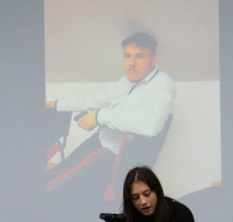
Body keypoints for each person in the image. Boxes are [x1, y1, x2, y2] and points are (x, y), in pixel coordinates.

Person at [46, 32, 174, 192]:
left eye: (140, 56)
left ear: (153, 59)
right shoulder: (127, 82)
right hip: (99, 141)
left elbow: (150, 125)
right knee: (57, 173)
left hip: (109, 157)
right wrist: (56, 104)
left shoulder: (162, 83)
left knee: (56, 184)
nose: (131, 63)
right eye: (127, 56)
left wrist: (100, 116)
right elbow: (96, 100)